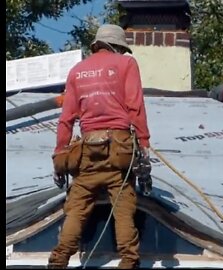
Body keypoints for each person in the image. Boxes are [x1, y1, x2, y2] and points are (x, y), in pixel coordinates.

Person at [48, 24, 151, 269]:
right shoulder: (126, 64)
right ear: (117, 46)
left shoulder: (77, 71)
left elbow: (66, 120)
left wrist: (60, 155)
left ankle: (59, 259)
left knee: (76, 209)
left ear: (96, 45)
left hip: (87, 150)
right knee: (123, 207)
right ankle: (128, 260)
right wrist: (144, 143)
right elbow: (135, 107)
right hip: (120, 148)